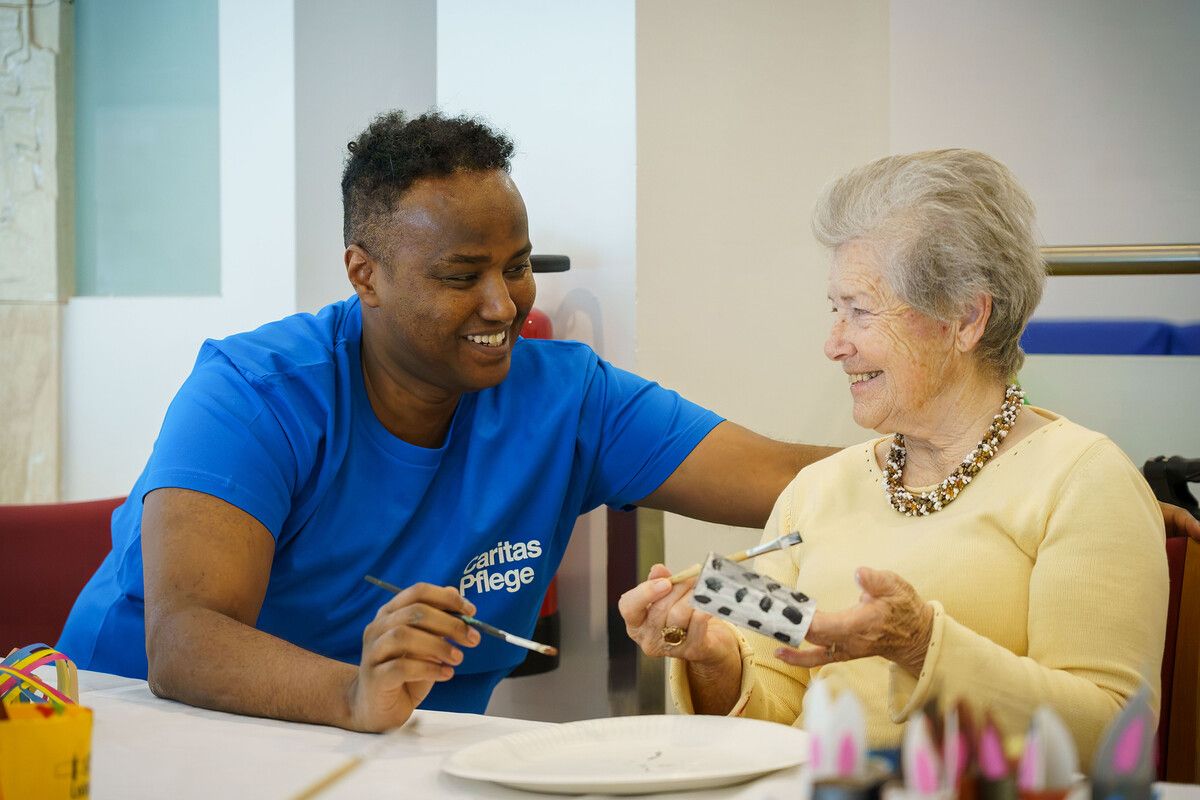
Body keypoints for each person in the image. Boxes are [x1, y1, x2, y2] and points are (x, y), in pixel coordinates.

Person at [56, 111, 833, 732]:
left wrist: (943, 449)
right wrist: (355, 695)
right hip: (138, 732)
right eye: (462, 276)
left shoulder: (566, 398)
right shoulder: (254, 393)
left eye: (518, 266)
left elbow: (790, 482)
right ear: (365, 274)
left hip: (387, 755)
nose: (503, 306)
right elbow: (187, 642)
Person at [619, 149, 1171, 760]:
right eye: (836, 311)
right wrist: (713, 657)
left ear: (965, 317)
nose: (834, 344)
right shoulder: (818, 490)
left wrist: (921, 645)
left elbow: (1110, 733)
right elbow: (773, 708)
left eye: (861, 311)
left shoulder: (1083, 480)